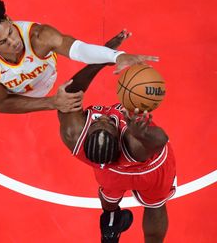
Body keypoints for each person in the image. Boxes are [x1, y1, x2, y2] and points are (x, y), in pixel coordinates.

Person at [0, 0, 157, 114]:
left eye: (10, 33)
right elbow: (1, 103)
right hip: (7, 88)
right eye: (3, 42)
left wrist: (117, 56)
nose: (14, 43)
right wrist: (51, 103)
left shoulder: (39, 36)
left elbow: (77, 48)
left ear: (8, 19)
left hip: (36, 76)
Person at [57, 31, 175, 243]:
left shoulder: (74, 136)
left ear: (86, 136)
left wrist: (104, 56)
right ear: (118, 137)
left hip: (112, 175)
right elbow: (160, 140)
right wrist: (142, 132)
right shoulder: (132, 144)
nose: (102, 120)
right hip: (150, 171)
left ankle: (110, 223)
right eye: (107, 125)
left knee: (109, 193)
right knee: (155, 205)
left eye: (96, 124)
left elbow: (71, 90)